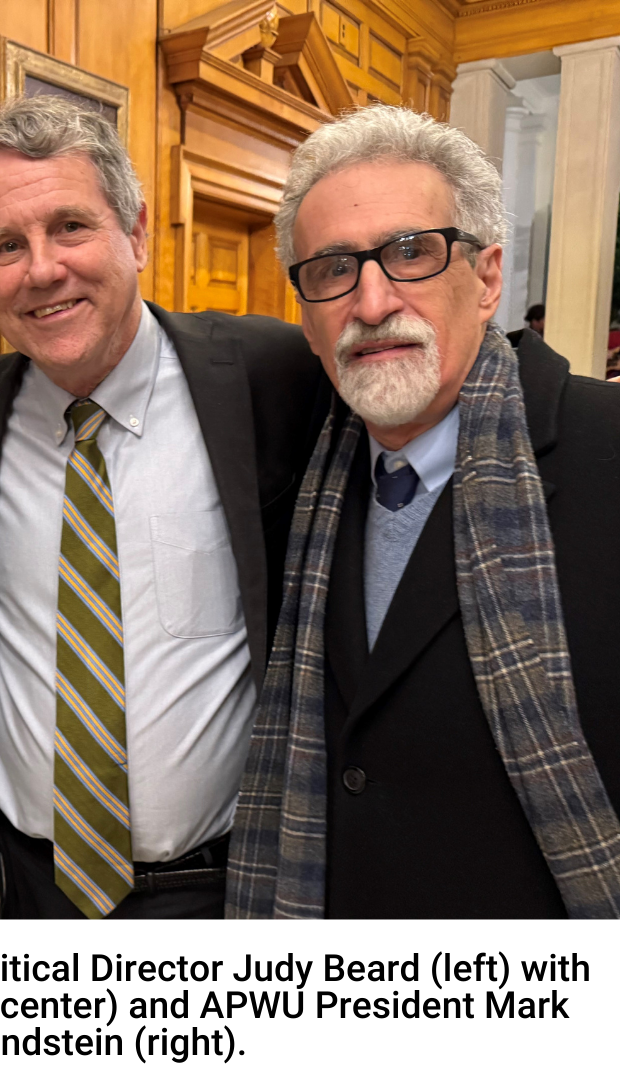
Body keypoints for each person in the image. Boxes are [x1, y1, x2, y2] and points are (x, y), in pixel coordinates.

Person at [0, 96, 324, 920]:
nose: (41, 269)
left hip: (219, 892)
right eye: (7, 245)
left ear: (135, 233)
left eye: (71, 226)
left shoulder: (270, 379)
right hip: (17, 889)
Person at [227, 105, 620, 919]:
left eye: (411, 253)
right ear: (304, 315)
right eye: (333, 269)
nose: (372, 301)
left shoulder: (605, 452)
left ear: (486, 278)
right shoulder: (301, 475)